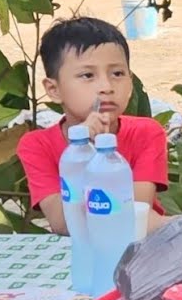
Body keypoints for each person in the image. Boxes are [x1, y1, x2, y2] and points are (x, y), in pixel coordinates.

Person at [17, 17, 169, 236]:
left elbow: (135, 212)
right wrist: (82, 148)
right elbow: (62, 223)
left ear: (130, 81)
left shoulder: (147, 133)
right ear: (53, 90)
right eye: (87, 75)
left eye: (117, 74)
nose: (106, 87)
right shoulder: (36, 145)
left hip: (141, 251)